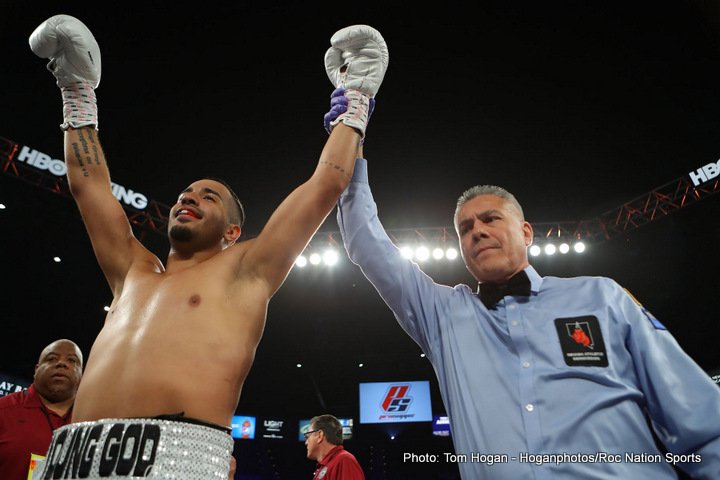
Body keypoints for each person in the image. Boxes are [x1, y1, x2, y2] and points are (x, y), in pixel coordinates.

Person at [28, 15, 388, 479]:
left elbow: (326, 184)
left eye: (207, 195)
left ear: (233, 232)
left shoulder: (246, 270)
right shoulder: (133, 270)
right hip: (71, 459)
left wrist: (355, 102)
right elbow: (88, 186)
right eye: (184, 194)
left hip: (177, 457)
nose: (187, 198)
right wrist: (76, 91)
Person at [329, 116, 720, 477]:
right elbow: (367, 242)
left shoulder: (602, 296)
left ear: (528, 233)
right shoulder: (443, 315)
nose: (476, 232)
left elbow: (701, 421)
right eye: (465, 228)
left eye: (490, 219)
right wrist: (353, 130)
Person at [0, 339, 83, 480]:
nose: (61, 363)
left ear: (82, 374)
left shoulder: (93, 420)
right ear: (36, 369)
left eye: (72, 360)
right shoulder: (3, 410)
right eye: (52, 359)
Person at [305, 414, 365, 480]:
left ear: (320, 435)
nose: (306, 442)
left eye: (307, 436)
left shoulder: (344, 460)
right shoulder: (327, 466)